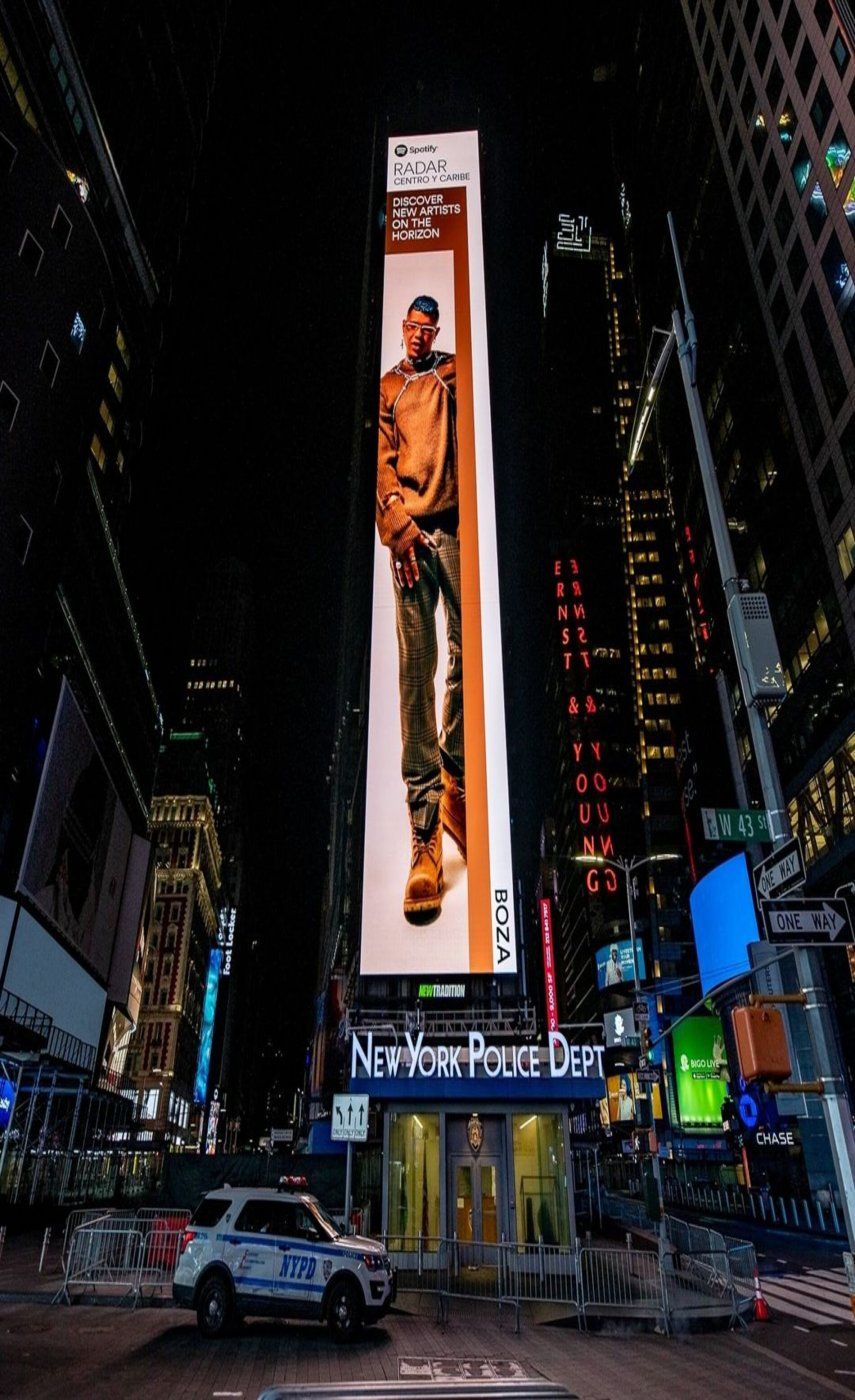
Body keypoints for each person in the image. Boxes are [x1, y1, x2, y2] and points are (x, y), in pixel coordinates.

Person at [376, 295, 465, 921]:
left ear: (435, 332)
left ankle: (454, 777)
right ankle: (425, 828)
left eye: (427, 329)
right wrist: (397, 525)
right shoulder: (388, 387)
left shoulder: (453, 371)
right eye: (411, 327)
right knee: (415, 675)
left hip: (458, 531)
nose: (417, 337)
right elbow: (381, 466)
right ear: (402, 329)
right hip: (410, 536)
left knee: (465, 657)